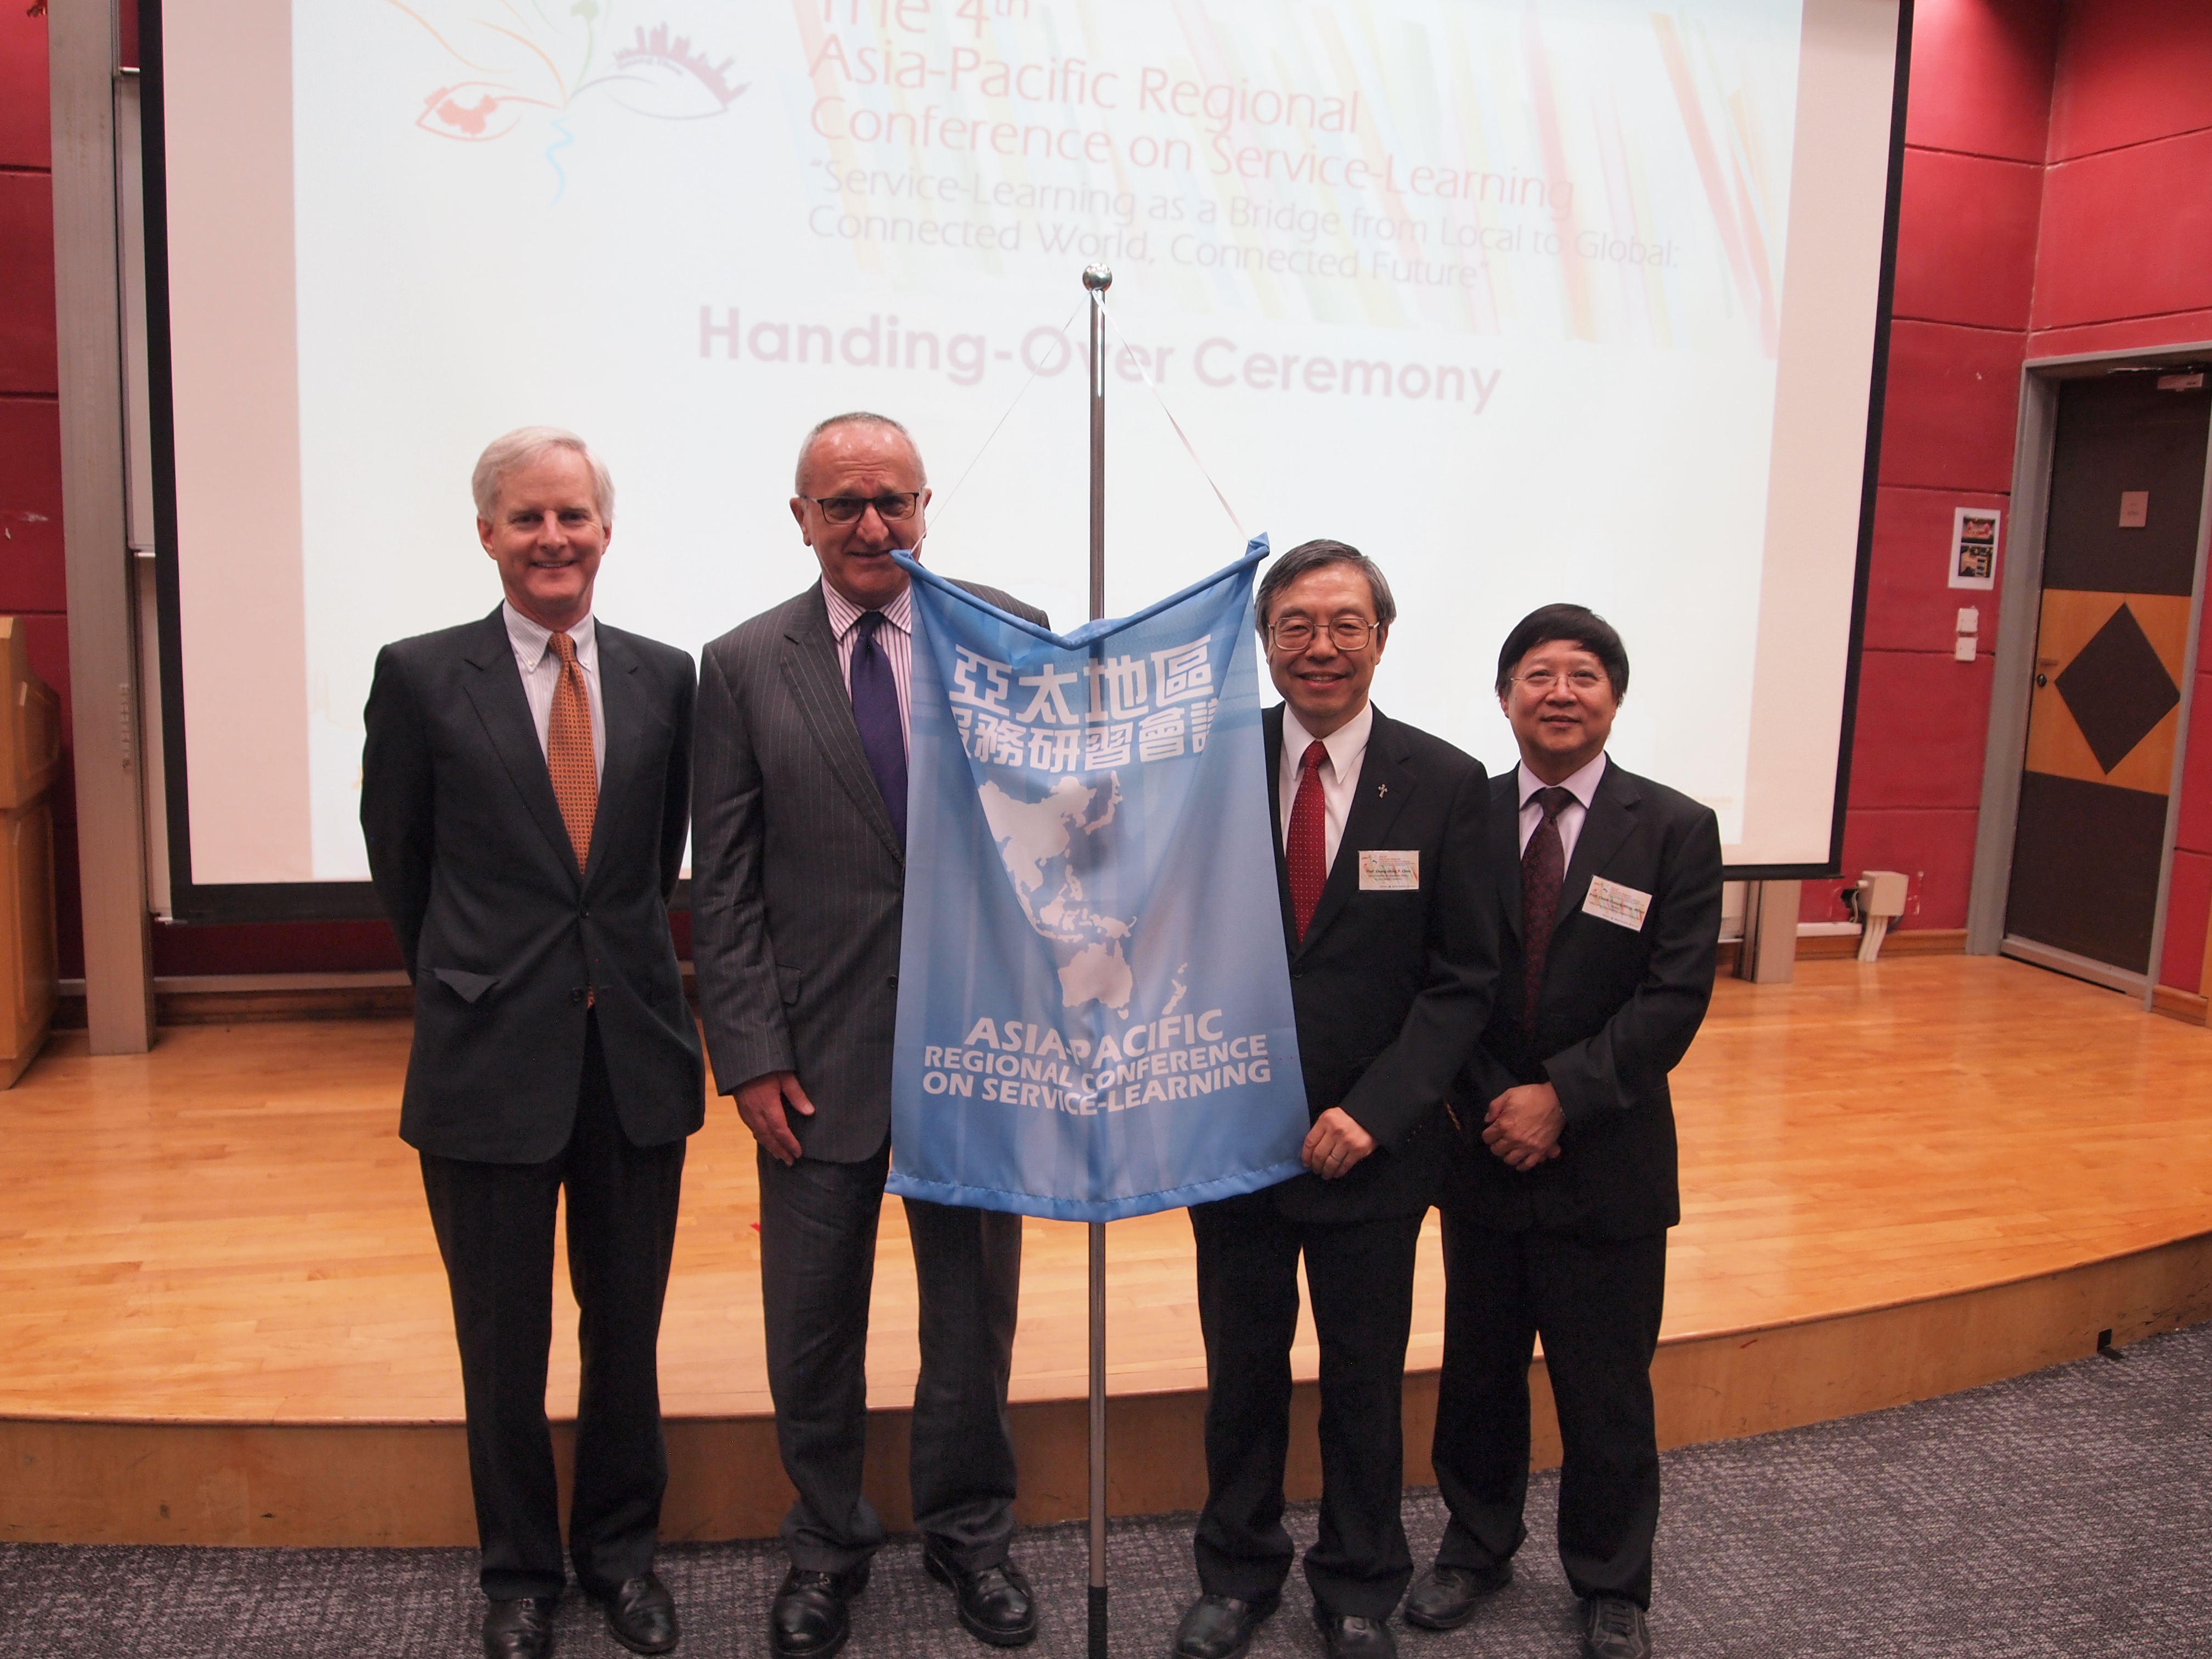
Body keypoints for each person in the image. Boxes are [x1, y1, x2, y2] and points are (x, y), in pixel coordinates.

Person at [689, 413, 1049, 1659]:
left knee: (971, 1316)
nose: (871, 525)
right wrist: (747, 1053)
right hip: (816, 1060)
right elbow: (723, 882)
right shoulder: (739, 665)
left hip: (977, 1052)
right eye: (842, 504)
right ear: (801, 519)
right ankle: (828, 1546)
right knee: (812, 1323)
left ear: (928, 506)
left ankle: (970, 1535)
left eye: (893, 499)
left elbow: (1065, 828)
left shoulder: (1009, 633)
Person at [361, 427, 704, 1659]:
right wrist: (475, 982)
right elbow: (401, 863)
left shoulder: (669, 678)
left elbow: (656, 861)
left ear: (606, 531)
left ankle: (622, 1559)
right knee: (501, 1345)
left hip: (634, 1061)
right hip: (486, 1063)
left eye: (573, 516)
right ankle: (520, 1576)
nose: (552, 539)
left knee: (628, 1335)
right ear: (487, 535)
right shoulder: (418, 675)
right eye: (526, 519)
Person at [1173, 540, 1495, 1659]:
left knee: (1365, 1384)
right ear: (1263, 644)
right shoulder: (1205, 763)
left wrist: (1378, 1110)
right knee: (1241, 1377)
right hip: (1235, 1139)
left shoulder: (1449, 784)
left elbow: (1465, 980)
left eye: (1344, 624)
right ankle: (1237, 1570)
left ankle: (1359, 1585)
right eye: (1296, 625)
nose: (1320, 647)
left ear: (1382, 639)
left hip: (1377, 1145)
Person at [1407, 605, 1723, 1659]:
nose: (1559, 693)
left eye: (1583, 675)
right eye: (1536, 674)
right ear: (1504, 698)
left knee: (1606, 1386)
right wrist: (1498, 1099)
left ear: (1614, 699)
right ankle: (1475, 1545)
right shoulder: (1466, 815)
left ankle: (1611, 1581)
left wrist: (1562, 1099)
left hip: (1610, 1154)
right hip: (1483, 1142)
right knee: (1480, 1371)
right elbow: (1443, 975)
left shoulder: (1675, 826)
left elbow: (1675, 997)